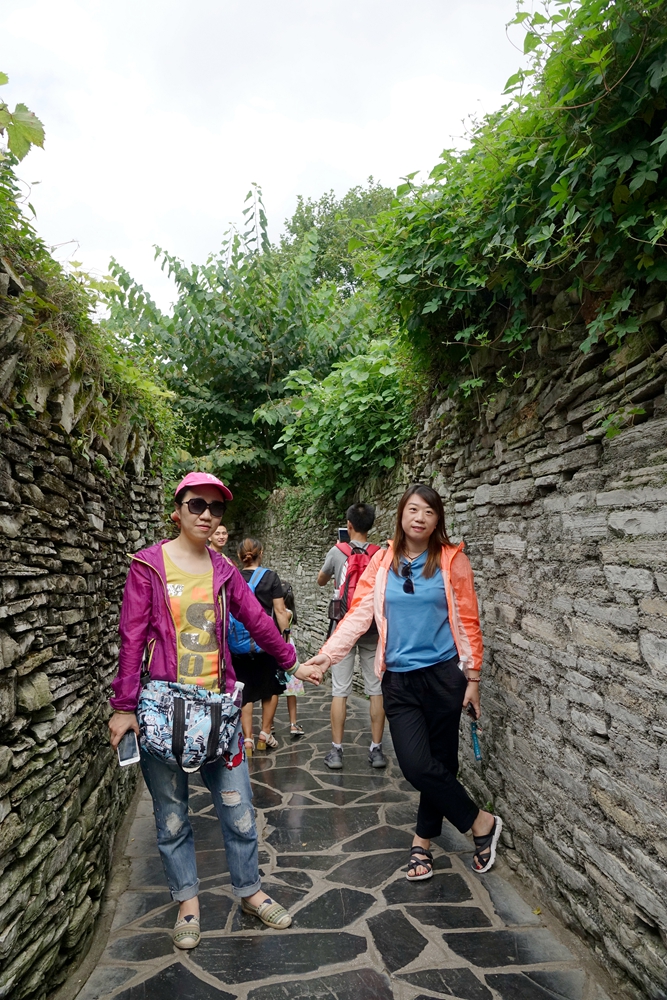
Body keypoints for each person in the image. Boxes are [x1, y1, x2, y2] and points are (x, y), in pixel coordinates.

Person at [108, 472, 321, 950]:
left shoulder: (223, 570)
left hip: (219, 713)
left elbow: (259, 621)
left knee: (239, 808)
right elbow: (131, 638)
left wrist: (292, 663)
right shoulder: (148, 567)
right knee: (171, 816)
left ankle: (250, 892)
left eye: (216, 507)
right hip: (163, 714)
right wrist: (123, 707)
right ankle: (188, 903)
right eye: (197, 505)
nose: (207, 514)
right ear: (177, 511)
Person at [304, 484, 502, 878]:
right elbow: (358, 614)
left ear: (437, 518)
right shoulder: (382, 561)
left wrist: (473, 678)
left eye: (428, 511)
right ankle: (481, 822)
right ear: (401, 514)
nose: (419, 518)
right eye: (413, 509)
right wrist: (327, 655)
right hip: (398, 680)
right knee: (415, 765)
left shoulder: (452, 560)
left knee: (441, 762)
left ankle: (421, 844)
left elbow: (468, 620)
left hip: (444, 676)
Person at [317, 503, 386, 770]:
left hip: (344, 626)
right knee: (376, 690)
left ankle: (336, 751)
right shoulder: (381, 554)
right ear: (371, 525)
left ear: (348, 525)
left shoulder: (338, 551)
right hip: (372, 628)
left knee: (340, 690)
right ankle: (376, 750)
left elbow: (321, 580)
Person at [230, 538, 292, 754]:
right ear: (261, 553)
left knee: (245, 691)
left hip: (238, 646)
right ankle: (264, 734)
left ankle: (247, 739)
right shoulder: (271, 577)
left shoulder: (233, 577)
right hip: (266, 643)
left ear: (240, 557)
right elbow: (280, 611)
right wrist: (285, 639)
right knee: (271, 688)